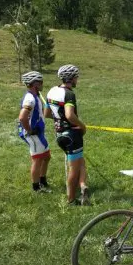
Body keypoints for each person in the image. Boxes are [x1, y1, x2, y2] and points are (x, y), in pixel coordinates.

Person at [46, 64, 89, 205]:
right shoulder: (69, 94)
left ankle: (83, 186)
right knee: (74, 168)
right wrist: (82, 126)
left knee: (80, 161)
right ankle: (71, 199)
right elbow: (70, 115)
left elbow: (47, 113)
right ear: (71, 78)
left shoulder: (51, 91)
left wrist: (59, 119)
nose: (77, 80)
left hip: (59, 135)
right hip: (72, 134)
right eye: (76, 77)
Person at [17, 71, 52, 193]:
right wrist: (30, 130)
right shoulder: (30, 99)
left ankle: (43, 181)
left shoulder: (35, 95)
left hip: (39, 132)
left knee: (47, 157)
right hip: (33, 134)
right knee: (37, 159)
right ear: (34, 84)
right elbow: (22, 117)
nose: (42, 84)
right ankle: (36, 188)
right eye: (40, 82)